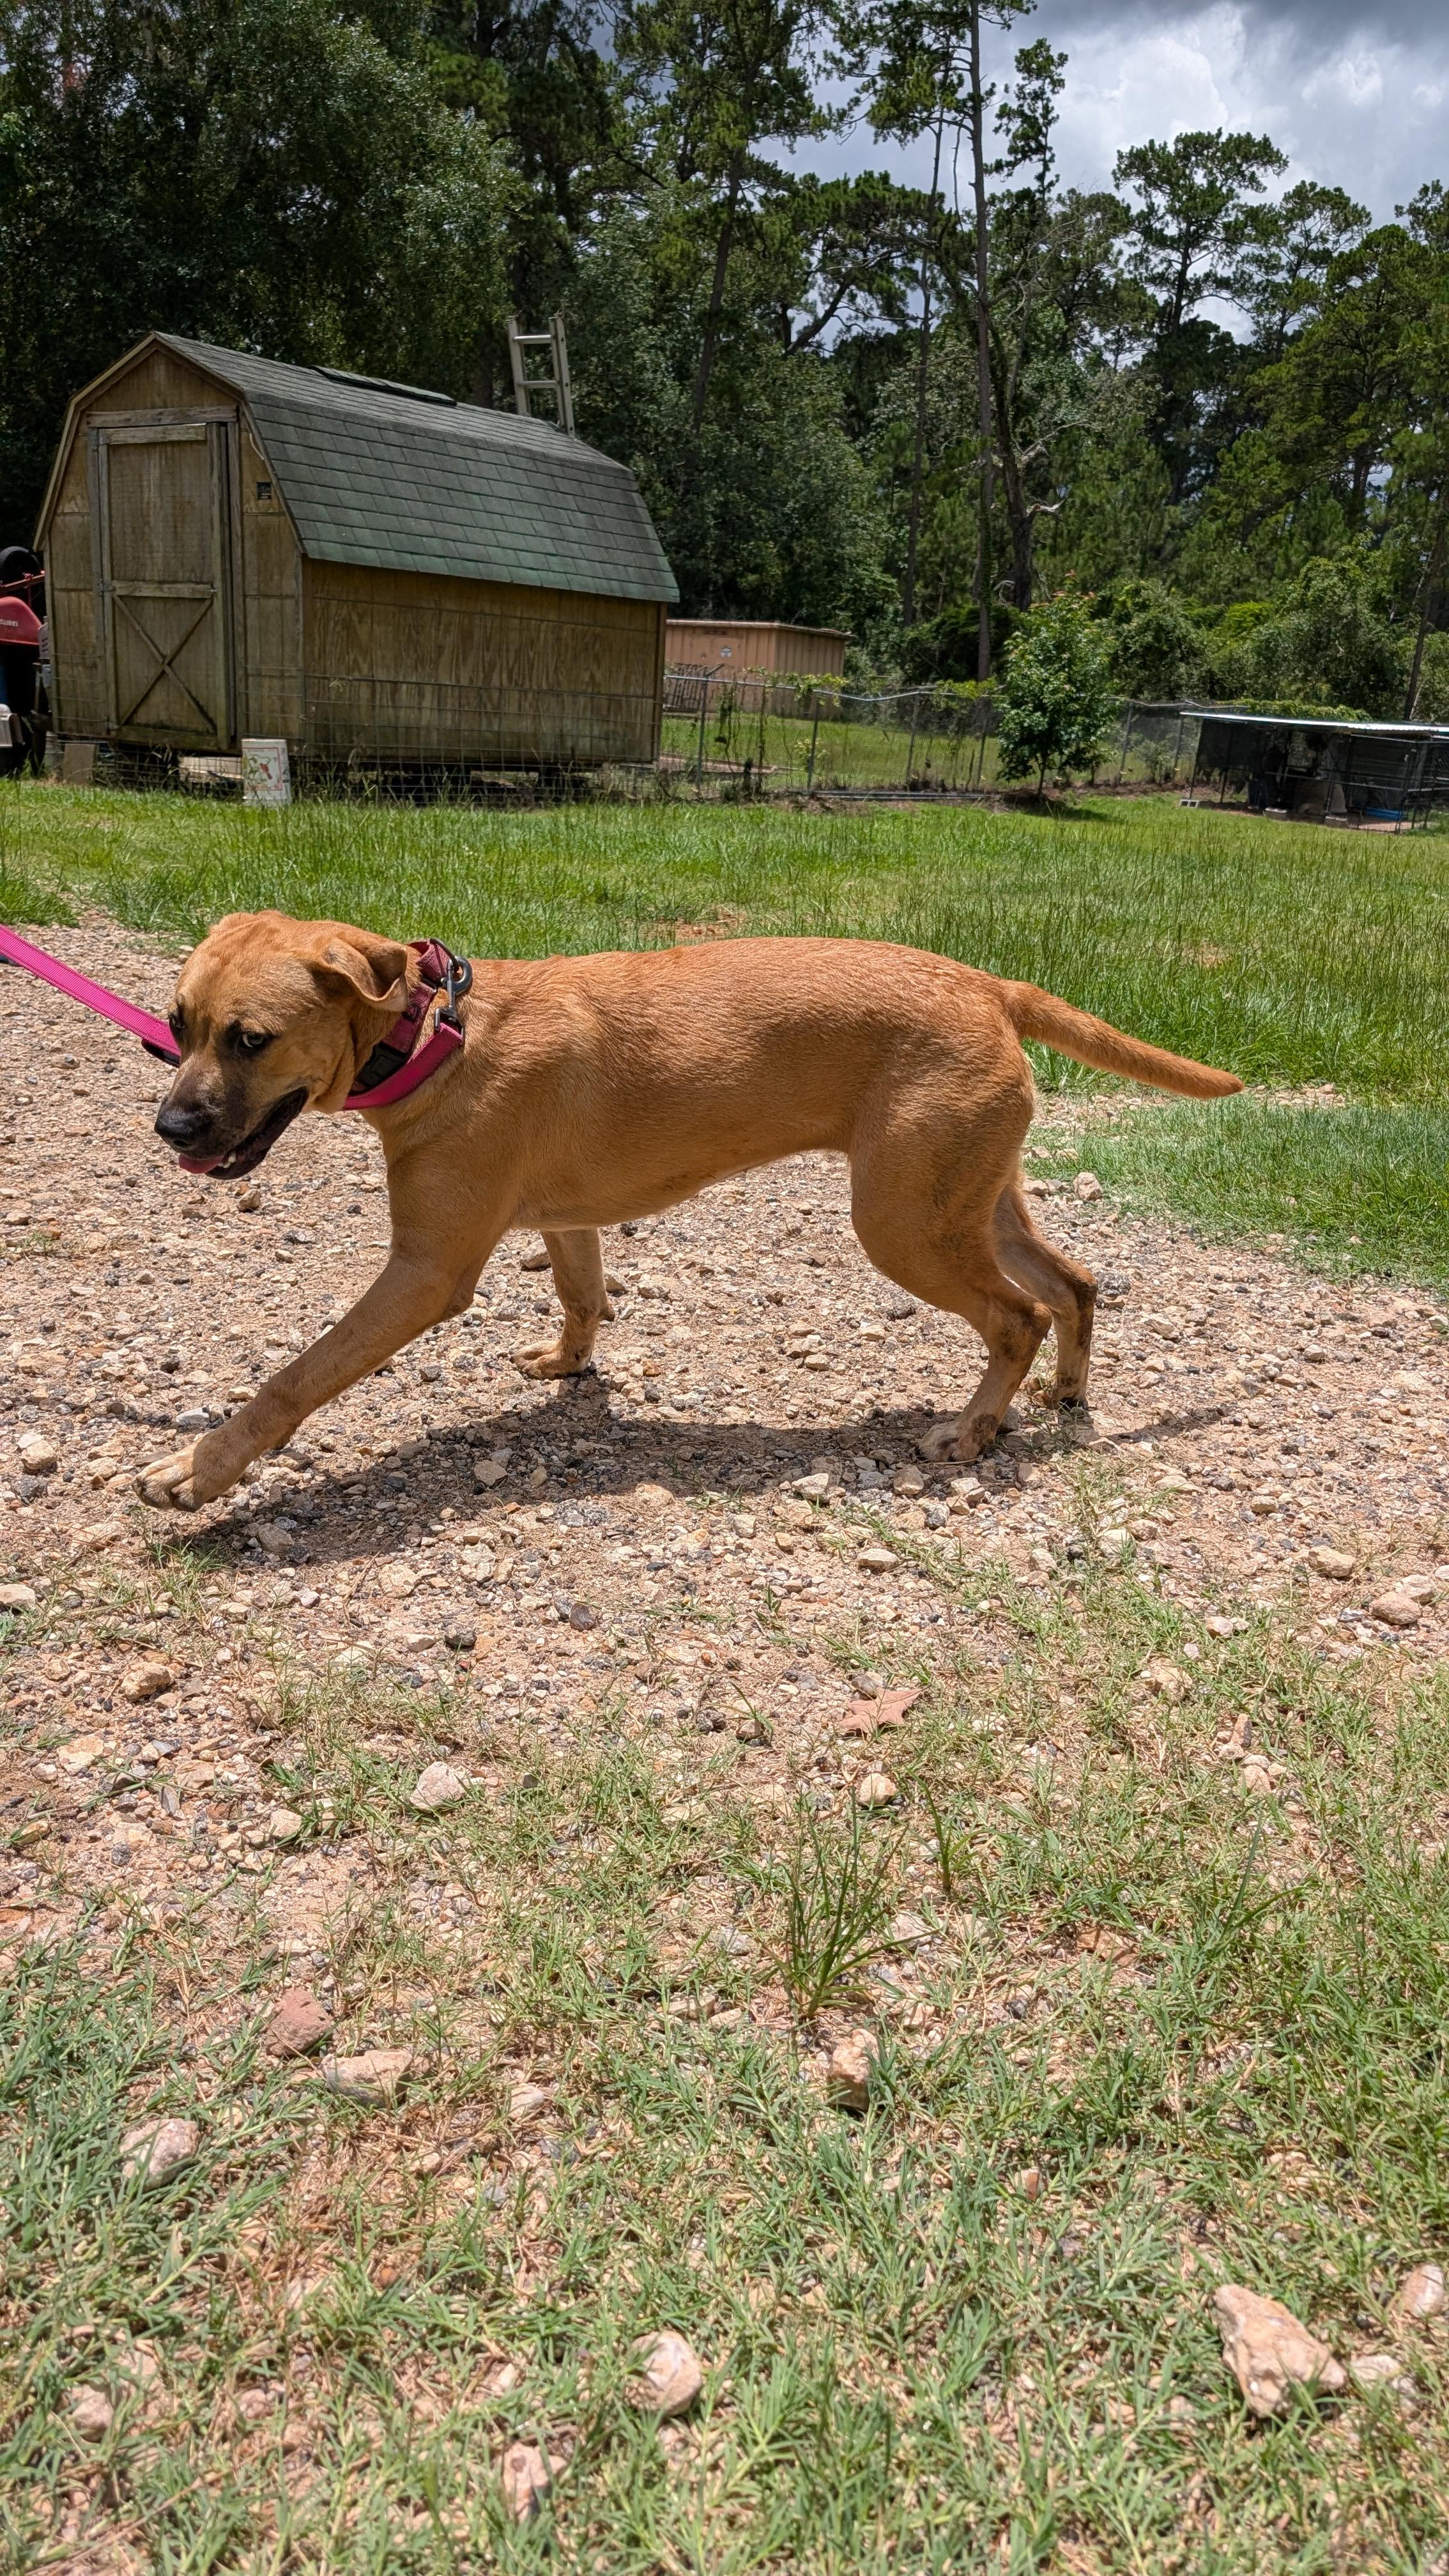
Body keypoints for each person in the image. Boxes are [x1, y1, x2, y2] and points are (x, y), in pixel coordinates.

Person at [0, 546, 47, 777]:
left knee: (18, 711)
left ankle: (24, 762)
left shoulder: (13, 608)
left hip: (18, 656)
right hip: (17, 656)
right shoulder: (12, 606)